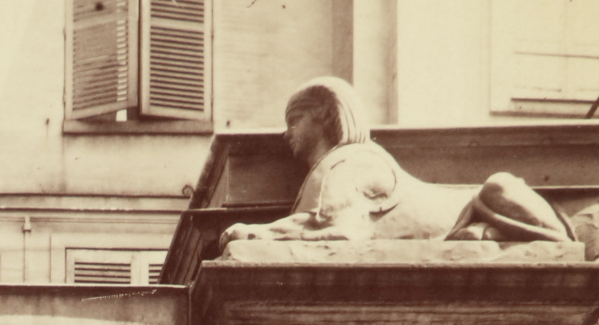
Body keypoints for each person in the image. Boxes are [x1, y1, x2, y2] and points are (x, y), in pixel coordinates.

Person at [222, 76, 572, 248]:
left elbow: (343, 232)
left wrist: (259, 232)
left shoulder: (354, 164)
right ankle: (494, 233)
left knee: (499, 186)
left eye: (294, 121)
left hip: (480, 206)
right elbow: (316, 223)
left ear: (323, 115)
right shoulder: (333, 167)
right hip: (466, 223)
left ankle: (530, 235)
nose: (287, 134)